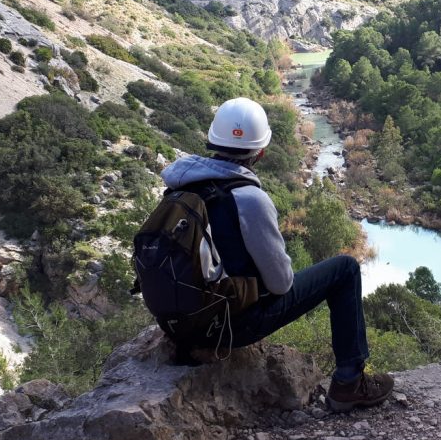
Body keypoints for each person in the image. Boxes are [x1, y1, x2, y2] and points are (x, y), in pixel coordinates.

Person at [160, 96, 394, 412]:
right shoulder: (249, 199)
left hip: (180, 325)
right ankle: (349, 383)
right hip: (231, 325)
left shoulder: (178, 187)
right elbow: (282, 283)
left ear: (213, 140)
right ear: (261, 152)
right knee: (346, 269)